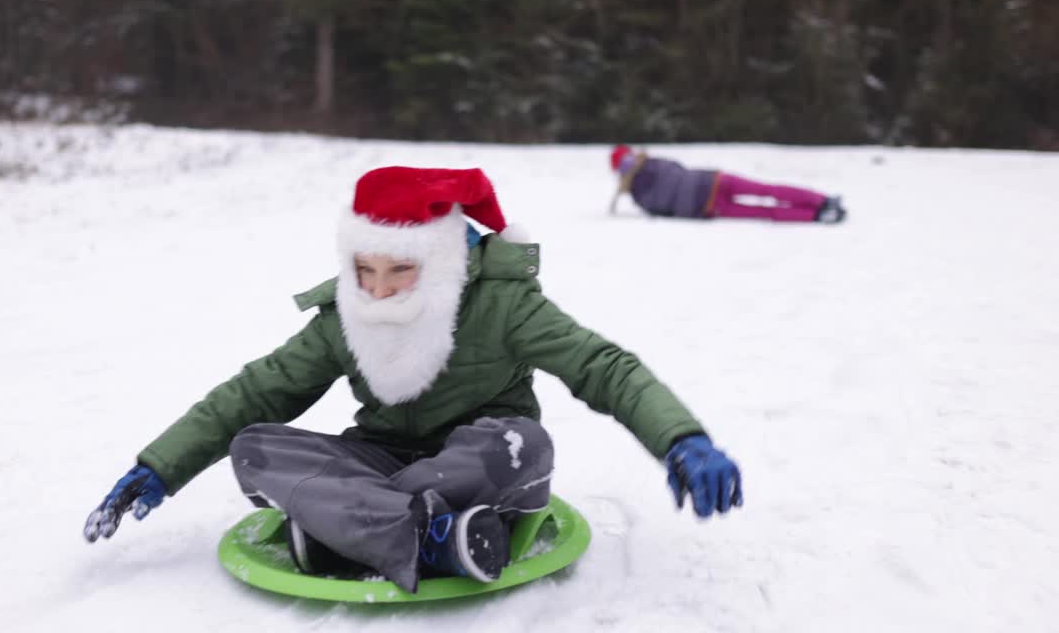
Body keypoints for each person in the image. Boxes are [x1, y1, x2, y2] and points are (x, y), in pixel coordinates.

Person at [83, 166, 743, 593]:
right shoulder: (347, 314)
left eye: (398, 271)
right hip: (383, 458)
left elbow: (604, 366)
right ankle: (430, 536)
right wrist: (160, 466)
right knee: (256, 444)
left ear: (442, 259)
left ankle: (348, 525)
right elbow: (257, 389)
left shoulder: (504, 302)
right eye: (364, 270)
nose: (378, 288)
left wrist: (681, 439)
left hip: (479, 461)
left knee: (521, 445)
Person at [609, 144, 846, 223]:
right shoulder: (654, 162)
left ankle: (818, 211)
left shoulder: (638, 197)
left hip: (707, 204)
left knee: (763, 210)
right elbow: (678, 169)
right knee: (767, 192)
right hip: (712, 180)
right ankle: (820, 203)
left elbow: (665, 211)